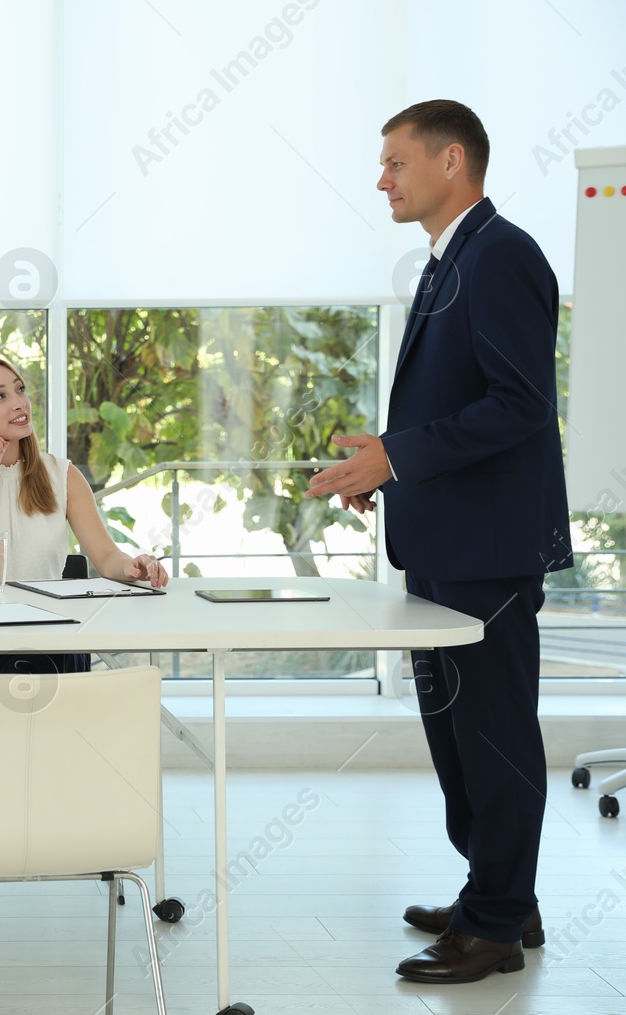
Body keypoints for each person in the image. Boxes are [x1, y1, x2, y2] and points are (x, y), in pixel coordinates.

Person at [307, 100, 570, 984]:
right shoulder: (449, 259)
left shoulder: (500, 255)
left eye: (394, 162)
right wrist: (385, 468)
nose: (381, 179)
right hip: (449, 545)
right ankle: (500, 893)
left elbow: (521, 404)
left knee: (491, 737)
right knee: (457, 738)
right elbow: (458, 404)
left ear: (451, 160)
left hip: (488, 554)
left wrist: (399, 457)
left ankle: (493, 926)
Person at [0, 355, 168, 950]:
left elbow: (101, 556)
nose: (19, 402)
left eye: (19, 390)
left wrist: (133, 566)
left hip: (48, 647)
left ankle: (46, 839)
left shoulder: (60, 473)